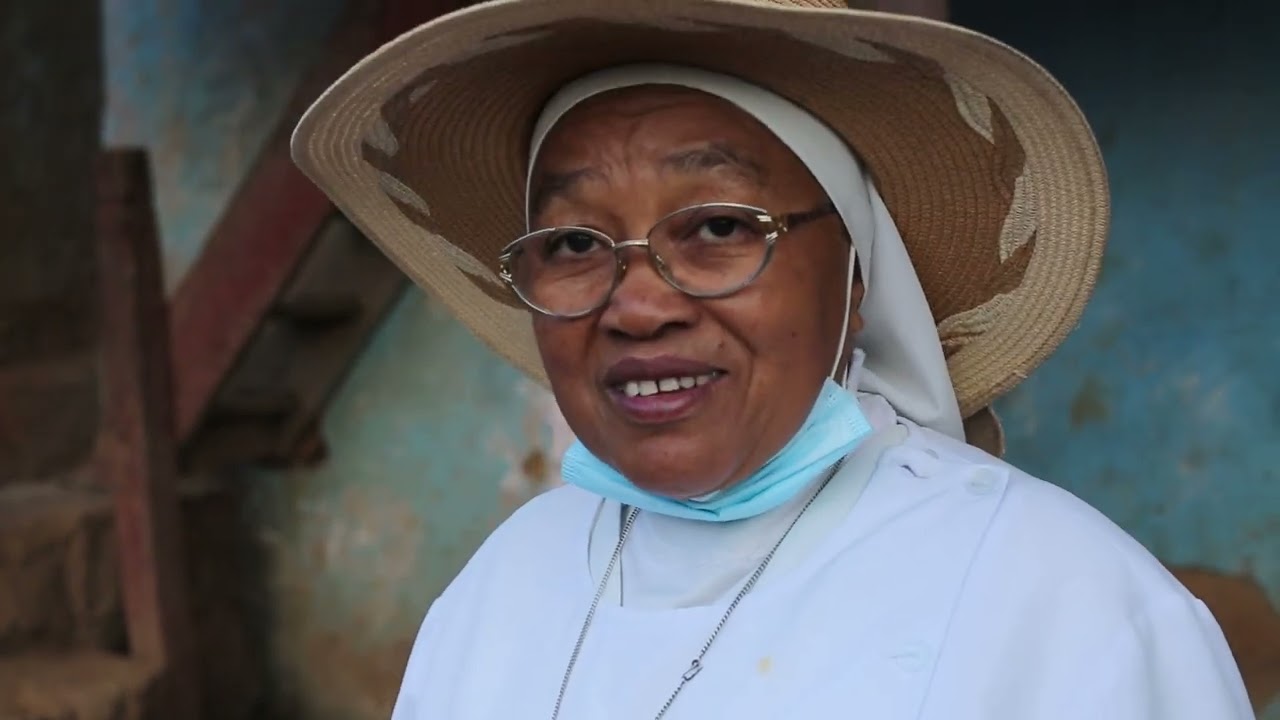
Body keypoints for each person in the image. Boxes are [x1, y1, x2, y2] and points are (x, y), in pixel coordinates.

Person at [291, 1, 1255, 718]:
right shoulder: (504, 584)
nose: (639, 305)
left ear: (857, 276)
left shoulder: (1065, 606)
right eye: (576, 245)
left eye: (717, 227)